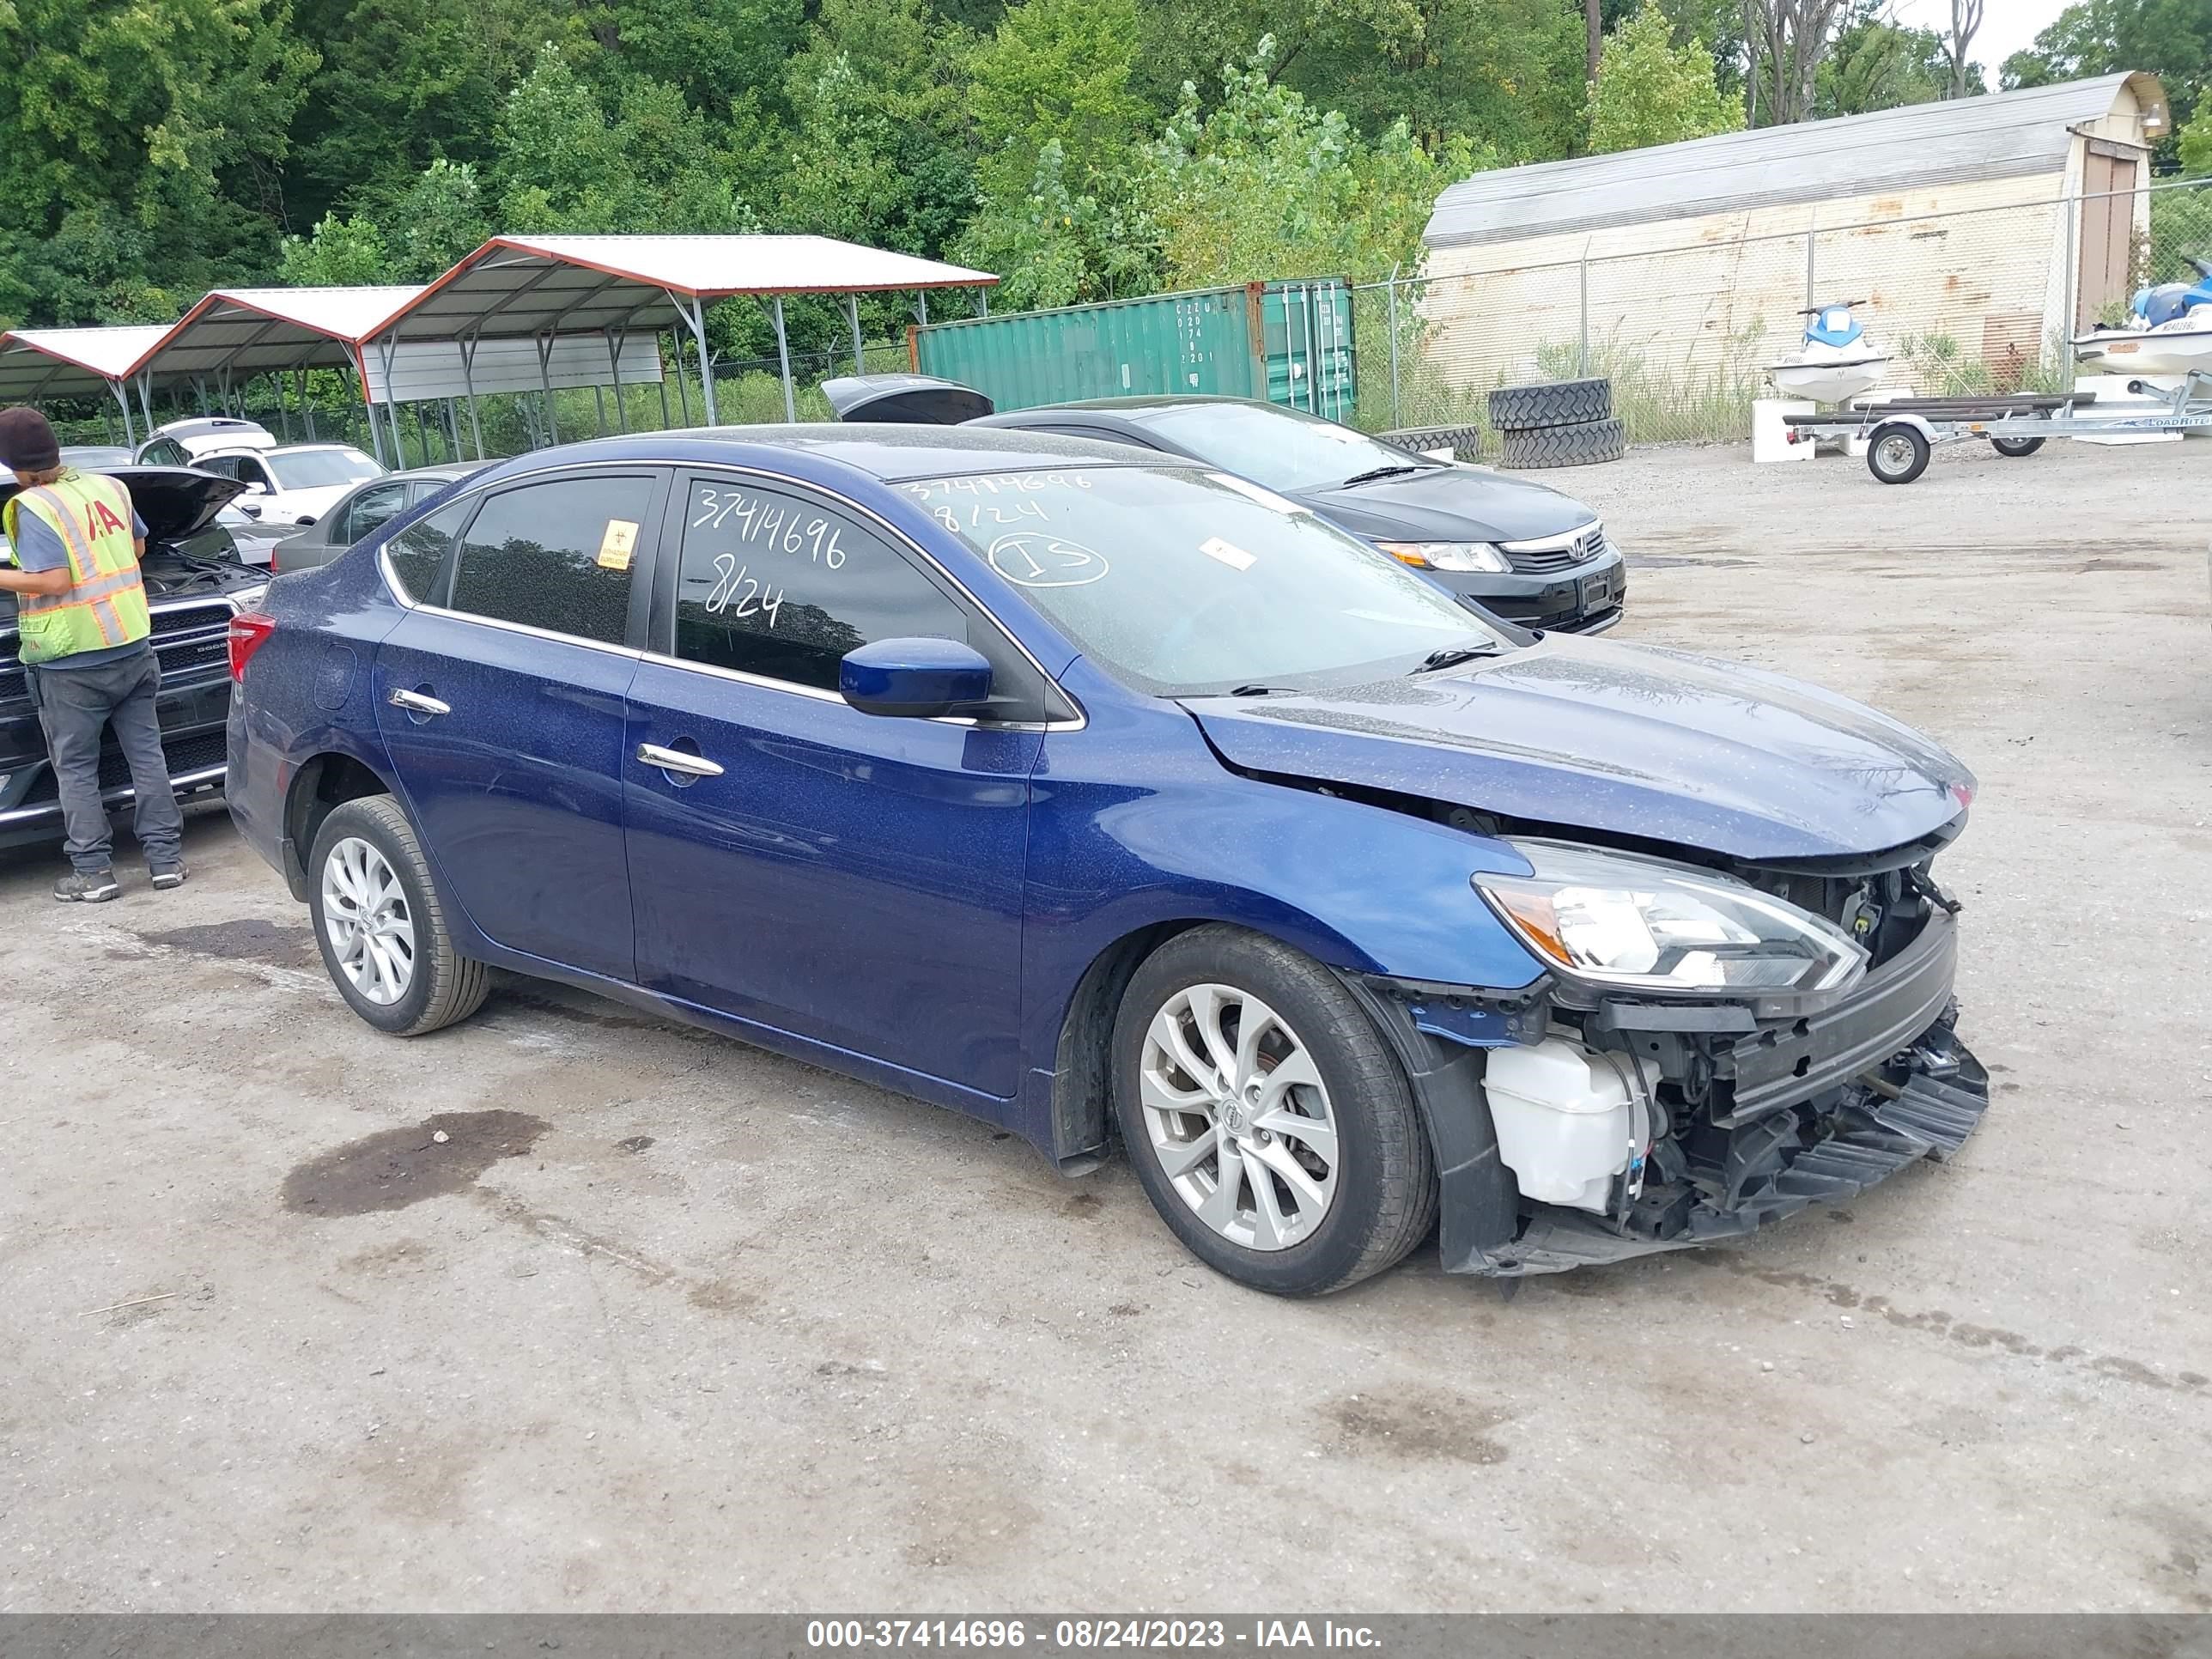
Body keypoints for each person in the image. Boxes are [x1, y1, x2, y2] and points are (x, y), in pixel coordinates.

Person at [0, 406, 186, 902]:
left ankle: (93, 873)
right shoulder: (110, 487)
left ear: (11, 463)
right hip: (130, 644)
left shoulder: (32, 507)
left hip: (70, 661)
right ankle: (166, 861)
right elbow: (140, 548)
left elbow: (55, 580)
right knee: (147, 756)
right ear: (56, 449)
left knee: (76, 769)